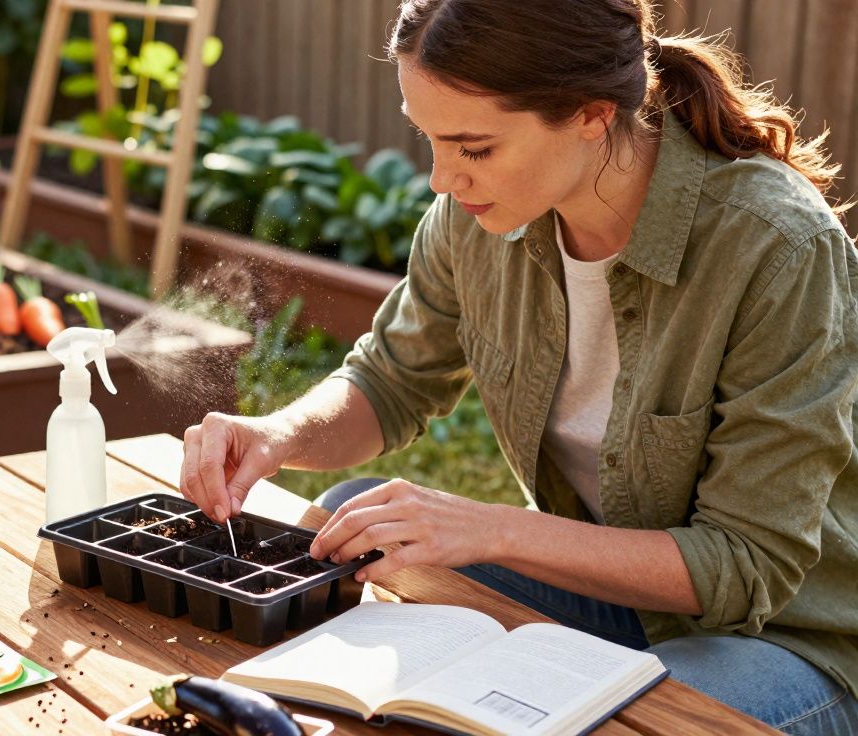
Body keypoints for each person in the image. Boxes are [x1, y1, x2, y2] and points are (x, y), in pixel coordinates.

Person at [176, 0, 858, 732]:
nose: (442, 179)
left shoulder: (776, 247)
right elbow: (389, 380)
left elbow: (743, 564)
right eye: (429, 139)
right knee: (355, 514)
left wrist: (493, 530)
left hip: (785, 639)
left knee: (629, 722)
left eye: (474, 148)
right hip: (613, 603)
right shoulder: (477, 224)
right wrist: (279, 434)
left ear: (592, 115)